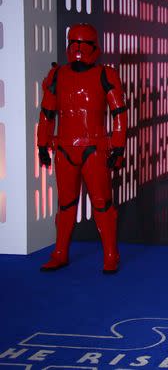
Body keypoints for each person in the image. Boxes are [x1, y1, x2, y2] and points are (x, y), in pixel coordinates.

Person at [38, 23, 128, 274]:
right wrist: (42, 142)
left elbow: (119, 112)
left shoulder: (105, 75)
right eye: (74, 43)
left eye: (83, 44)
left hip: (94, 150)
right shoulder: (57, 75)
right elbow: (47, 112)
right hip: (66, 148)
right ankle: (60, 252)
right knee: (66, 205)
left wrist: (119, 148)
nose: (78, 49)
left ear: (93, 46)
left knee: (102, 205)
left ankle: (111, 254)